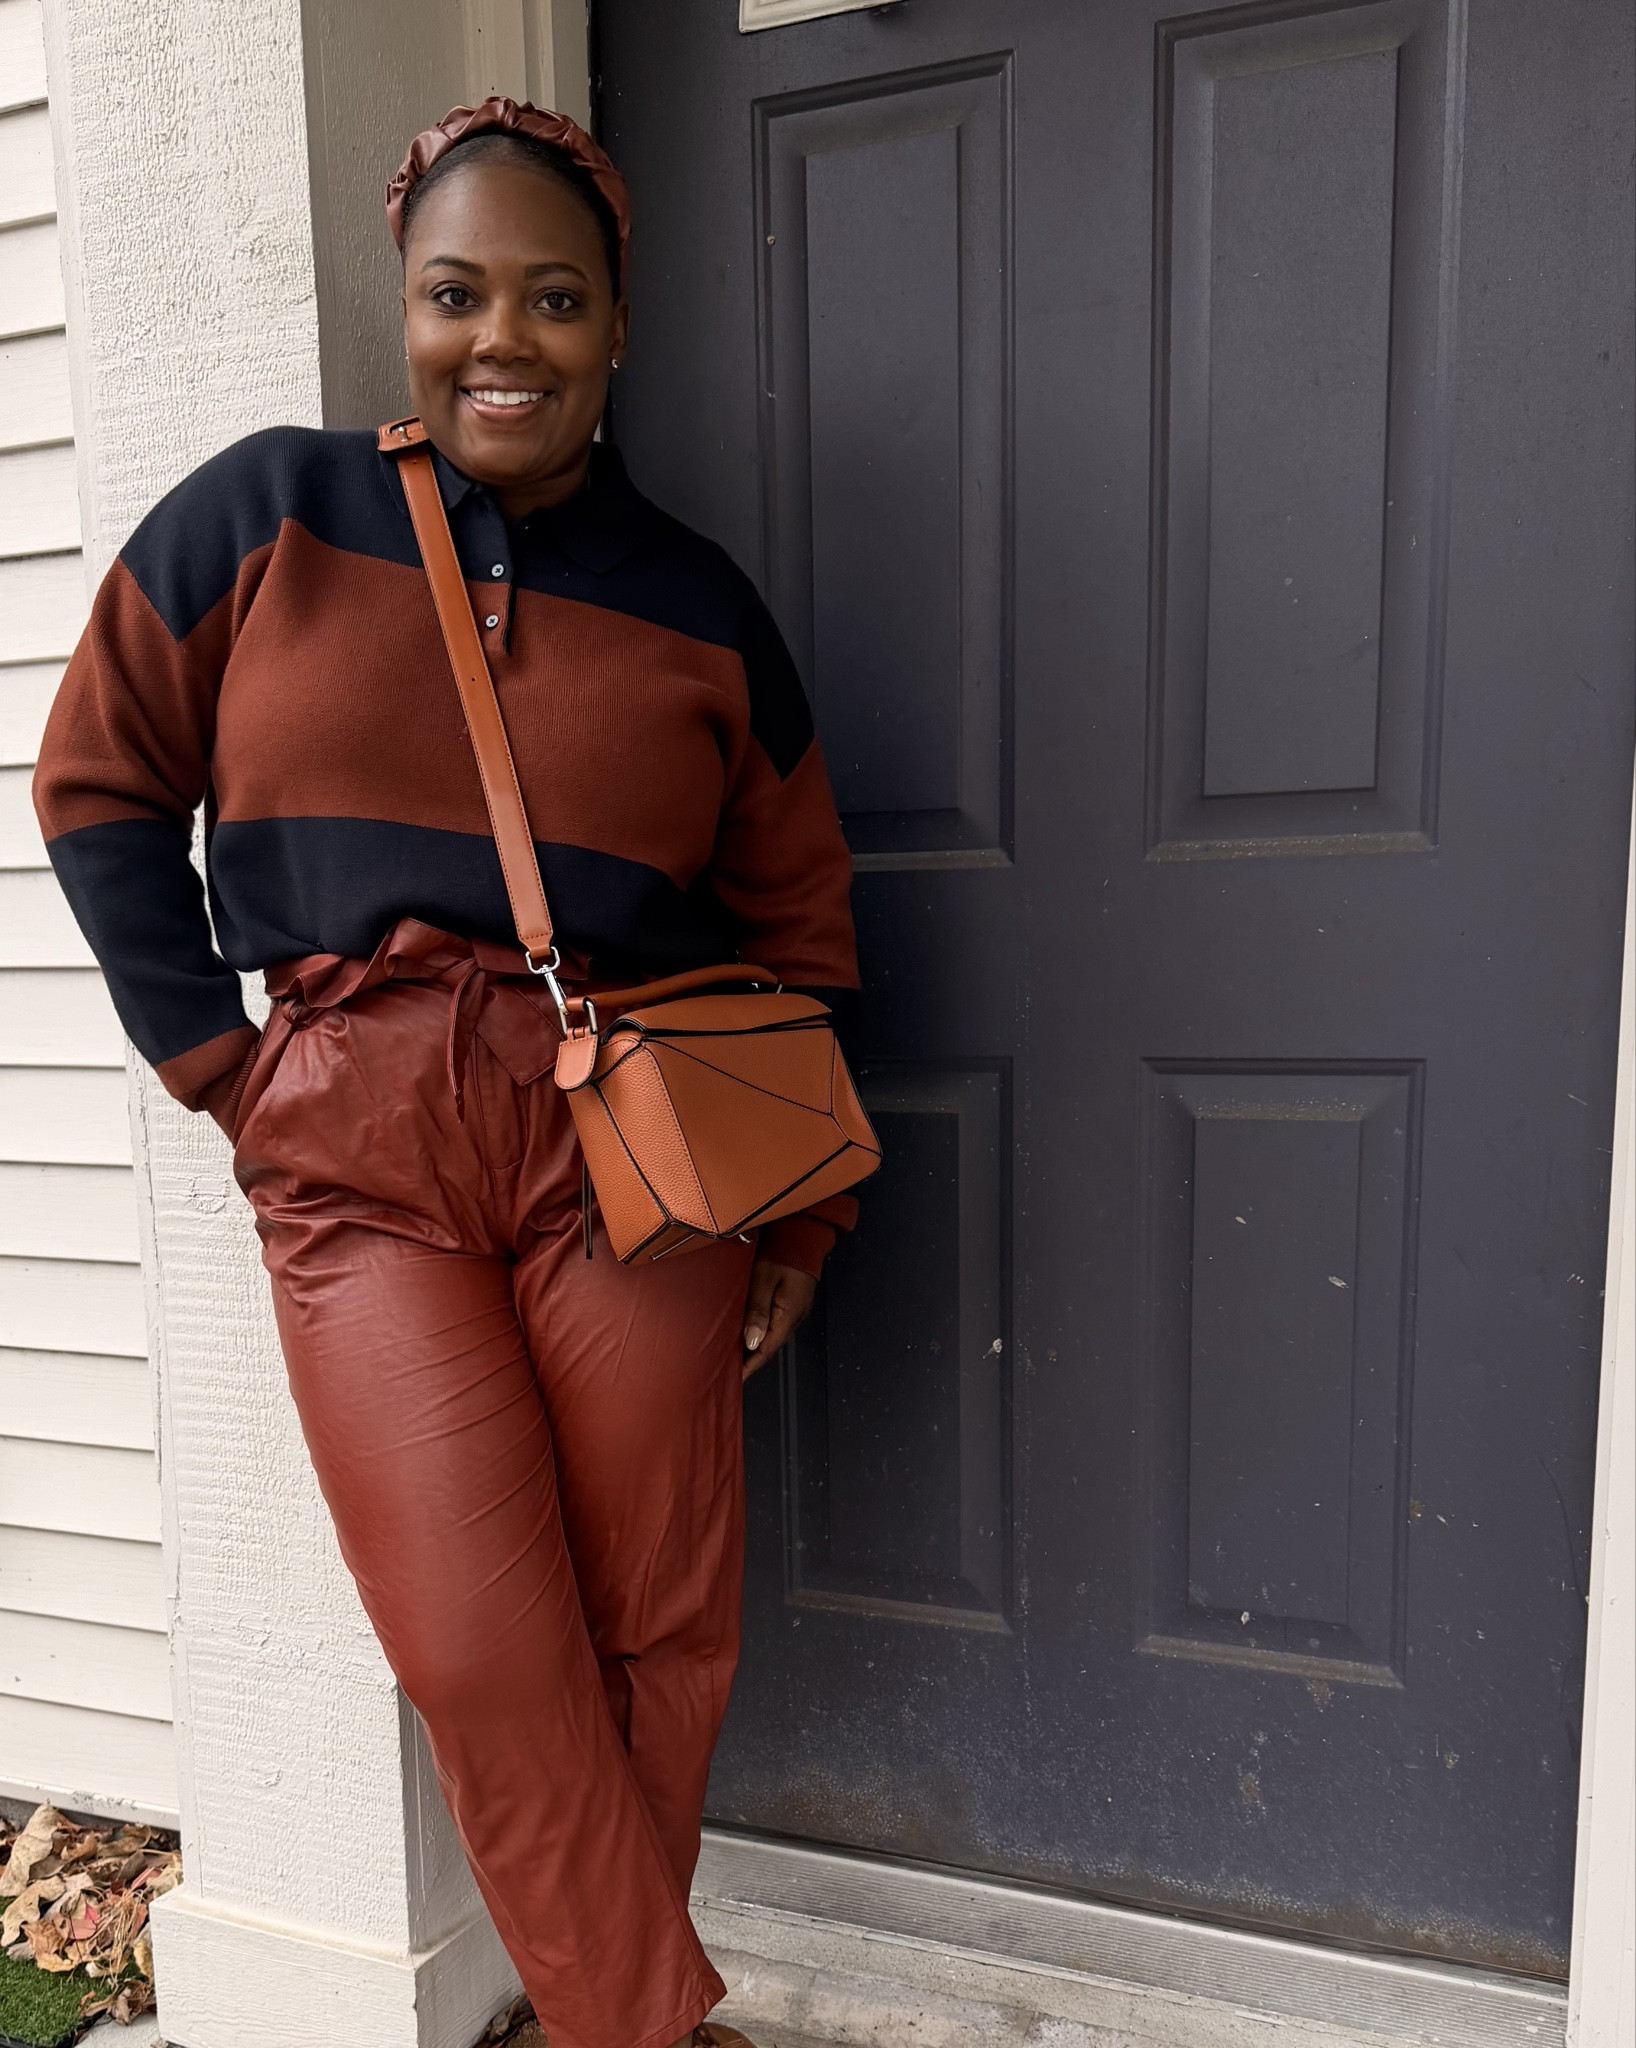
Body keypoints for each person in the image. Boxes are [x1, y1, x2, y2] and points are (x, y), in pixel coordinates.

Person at [32, 98, 861, 2048]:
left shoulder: (699, 606)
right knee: (478, 1641)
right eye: (456, 292)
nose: (504, 337)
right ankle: (642, 2024)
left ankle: (603, 2024)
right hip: (358, 1144)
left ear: (617, 325)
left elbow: (804, 927)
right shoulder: (266, 516)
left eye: (553, 298)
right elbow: (95, 781)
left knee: (657, 1615)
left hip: (632, 1148)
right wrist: (228, 1069)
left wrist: (802, 1218)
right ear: (403, 305)